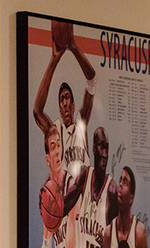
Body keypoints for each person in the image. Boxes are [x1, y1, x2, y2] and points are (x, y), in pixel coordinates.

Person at [32, 22, 96, 180]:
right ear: (60, 108)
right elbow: (37, 111)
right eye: (62, 99)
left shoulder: (81, 123)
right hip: (66, 201)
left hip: (86, 201)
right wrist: (54, 59)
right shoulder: (56, 133)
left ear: (73, 106)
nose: (65, 102)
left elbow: (92, 80)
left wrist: (73, 47)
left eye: (67, 97)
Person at [28, 126, 78, 248]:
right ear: (47, 158)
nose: (57, 151)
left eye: (59, 145)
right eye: (52, 146)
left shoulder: (72, 187)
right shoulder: (47, 192)